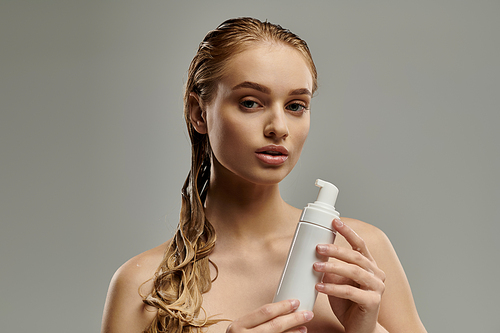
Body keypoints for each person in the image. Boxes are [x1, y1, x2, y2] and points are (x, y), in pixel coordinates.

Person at [101, 17, 427, 333]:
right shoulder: (142, 286)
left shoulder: (357, 259)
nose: (279, 128)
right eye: (250, 103)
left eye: (296, 106)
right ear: (199, 113)